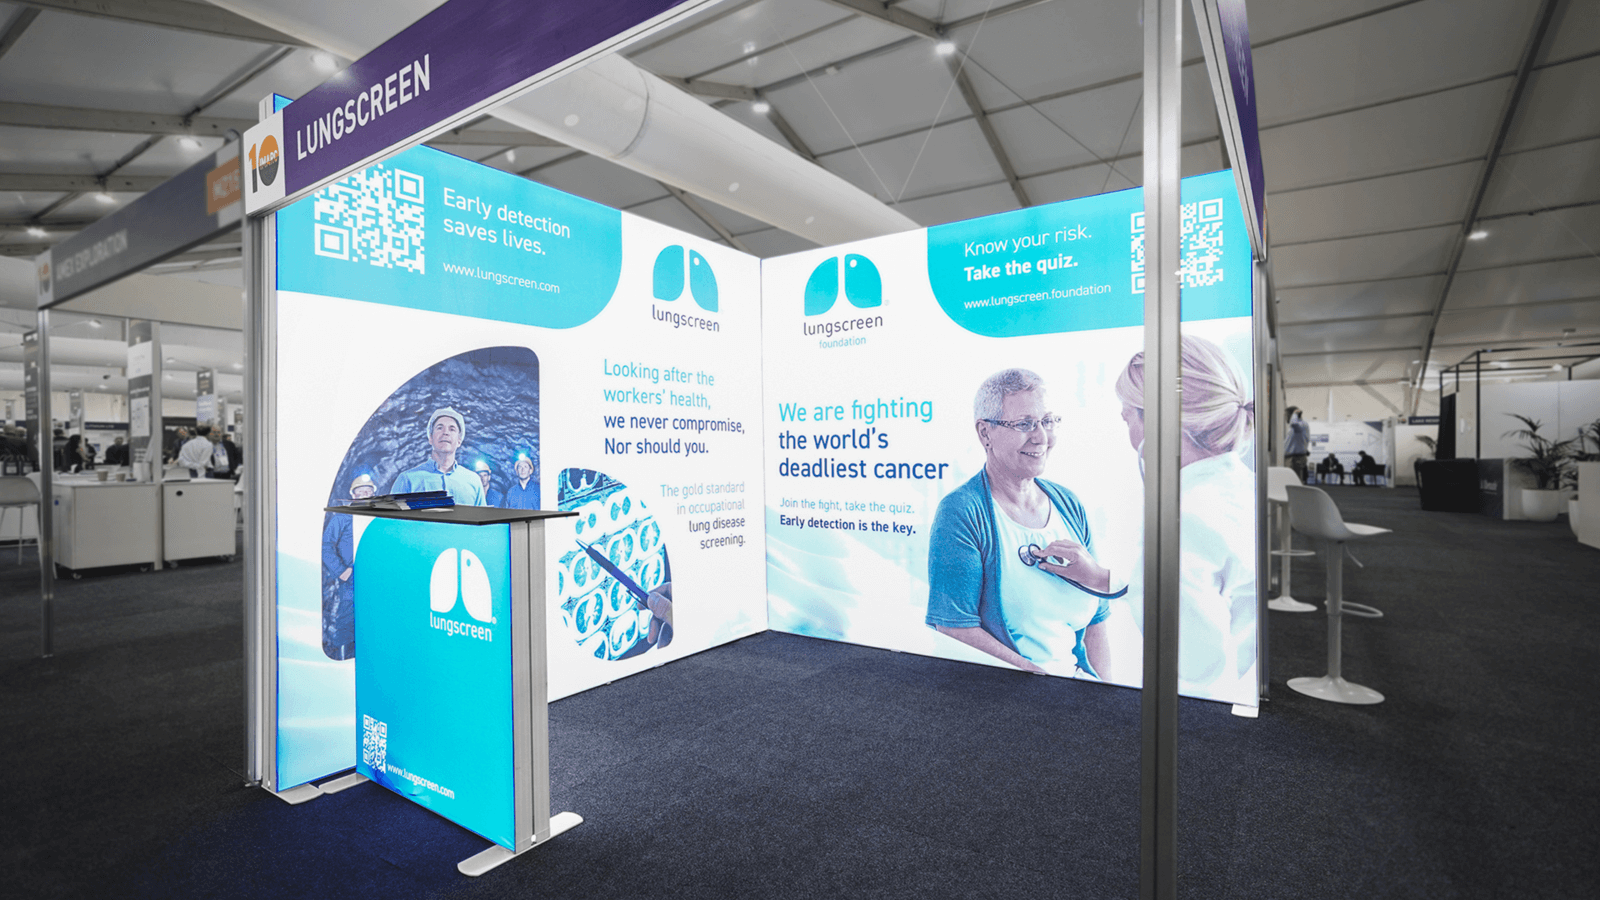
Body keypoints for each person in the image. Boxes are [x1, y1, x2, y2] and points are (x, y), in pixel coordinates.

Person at [926, 368, 1123, 678]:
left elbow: (1098, 617)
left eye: (1048, 421)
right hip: (1008, 693)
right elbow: (954, 627)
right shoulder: (961, 512)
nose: (1041, 437)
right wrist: (1038, 682)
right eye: (1024, 424)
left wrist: (1104, 692)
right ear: (985, 433)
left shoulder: (1068, 504)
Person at [1115, 335, 1257, 704]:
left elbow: (1194, 673)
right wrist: (1106, 579)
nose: (1128, 432)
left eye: (1127, 416)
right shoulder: (1242, 488)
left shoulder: (1183, 520)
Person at [321, 474, 376, 660]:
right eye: (361, 492)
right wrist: (340, 571)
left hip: (371, 576)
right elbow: (326, 545)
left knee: (371, 617)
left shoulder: (377, 517)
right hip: (351, 577)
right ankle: (345, 658)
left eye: (368, 492)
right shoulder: (342, 517)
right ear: (353, 495)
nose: (365, 495)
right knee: (347, 619)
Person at [389, 407, 485, 505]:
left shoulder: (474, 481)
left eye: (452, 429)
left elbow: (482, 514)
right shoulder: (407, 480)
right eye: (439, 428)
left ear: (459, 441)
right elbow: (392, 515)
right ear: (430, 438)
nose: (445, 432)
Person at [1284, 406, 1310, 484]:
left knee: (1295, 483)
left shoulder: (1301, 424)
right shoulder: (1297, 427)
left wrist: (1295, 414)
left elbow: (1293, 423)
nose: (1285, 418)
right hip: (1292, 458)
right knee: (1291, 483)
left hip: (1295, 459)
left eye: (1286, 415)